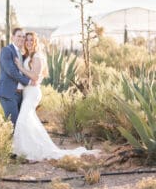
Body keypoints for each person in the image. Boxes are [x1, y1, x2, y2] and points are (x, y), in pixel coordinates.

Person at [13, 32, 100, 161]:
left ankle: (26, 151)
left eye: (32, 40)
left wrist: (20, 67)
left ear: (35, 42)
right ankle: (30, 149)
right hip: (27, 92)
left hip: (33, 93)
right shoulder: (28, 56)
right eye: (27, 40)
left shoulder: (37, 56)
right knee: (30, 121)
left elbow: (35, 76)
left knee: (22, 120)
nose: (29, 42)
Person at [0, 28, 30, 126]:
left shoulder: (21, 54)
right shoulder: (7, 50)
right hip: (8, 93)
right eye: (19, 36)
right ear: (12, 37)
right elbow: (11, 71)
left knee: (19, 124)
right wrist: (27, 81)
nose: (22, 39)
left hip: (19, 94)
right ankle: (7, 141)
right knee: (13, 124)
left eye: (23, 37)